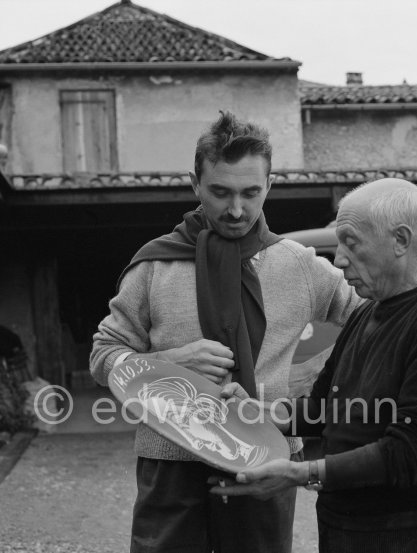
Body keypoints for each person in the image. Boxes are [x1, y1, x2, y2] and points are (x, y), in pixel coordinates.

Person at [89, 111, 360, 553]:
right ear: (195, 184)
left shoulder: (299, 265)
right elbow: (103, 356)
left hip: (267, 457)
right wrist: (164, 365)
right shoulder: (155, 266)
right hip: (170, 460)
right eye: (220, 192)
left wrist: (314, 380)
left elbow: (373, 322)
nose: (237, 210)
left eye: (251, 193)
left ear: (270, 185)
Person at [212, 178, 417, 553]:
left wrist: (300, 473)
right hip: (349, 530)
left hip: (415, 536)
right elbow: (325, 409)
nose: (339, 258)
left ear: (400, 240)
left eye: (351, 241)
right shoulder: (369, 313)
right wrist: (258, 412)